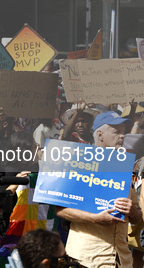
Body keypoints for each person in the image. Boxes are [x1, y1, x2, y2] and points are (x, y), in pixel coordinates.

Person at [55, 111, 142, 266]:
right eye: (117, 132)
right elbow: (60, 209)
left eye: (123, 132)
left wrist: (133, 212)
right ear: (100, 134)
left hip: (121, 258)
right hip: (88, 258)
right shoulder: (78, 162)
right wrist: (95, 219)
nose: (122, 136)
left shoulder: (122, 167)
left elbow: (137, 216)